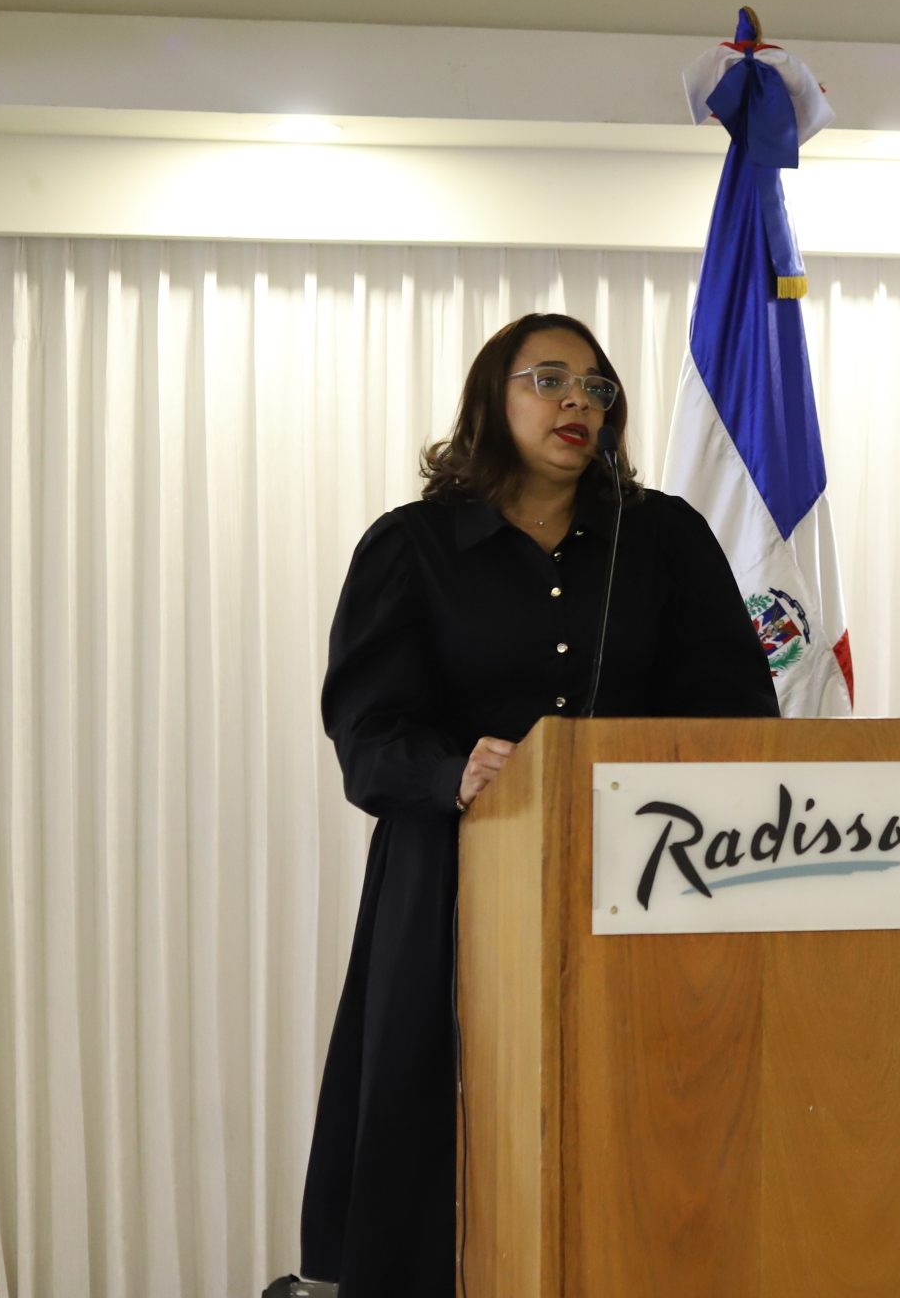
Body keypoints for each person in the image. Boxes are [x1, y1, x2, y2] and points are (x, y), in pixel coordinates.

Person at [298, 313, 779, 1295]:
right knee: (443, 1125)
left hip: (643, 877)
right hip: (454, 879)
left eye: (596, 387)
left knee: (640, 1116)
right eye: (549, 379)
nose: (577, 402)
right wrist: (452, 771)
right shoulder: (412, 546)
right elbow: (369, 733)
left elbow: (735, 710)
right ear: (493, 397)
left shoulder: (665, 538)